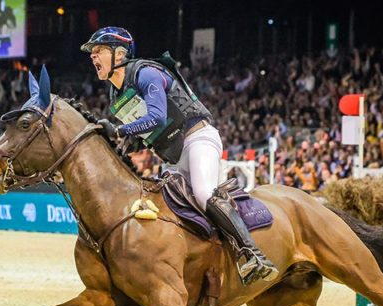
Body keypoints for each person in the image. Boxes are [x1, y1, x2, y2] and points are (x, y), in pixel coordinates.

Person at [80, 26, 278, 284]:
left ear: (119, 54)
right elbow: (146, 133)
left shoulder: (146, 73)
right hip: (172, 158)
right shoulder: (116, 96)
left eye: (99, 50)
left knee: (204, 193)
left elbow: (158, 117)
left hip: (198, 139)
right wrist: (124, 145)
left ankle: (252, 253)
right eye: (92, 52)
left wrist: (118, 130)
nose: (93, 56)